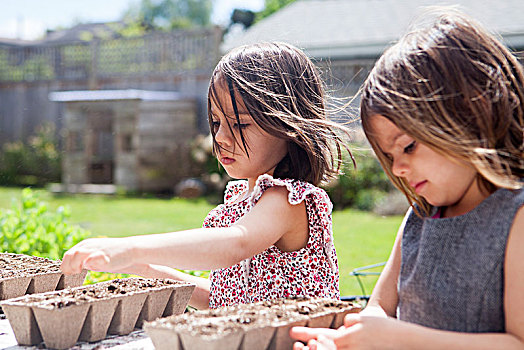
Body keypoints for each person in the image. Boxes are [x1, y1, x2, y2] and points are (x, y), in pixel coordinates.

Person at [291, 7, 524, 350]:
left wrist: (399, 339)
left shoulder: (514, 216)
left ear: (472, 113)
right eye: (389, 157)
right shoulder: (420, 216)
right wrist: (354, 339)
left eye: (408, 147)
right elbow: (380, 309)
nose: (397, 168)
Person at [60, 42, 353, 310]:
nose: (222, 137)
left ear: (287, 124)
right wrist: (144, 267)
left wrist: (129, 246)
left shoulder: (287, 200)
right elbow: (225, 297)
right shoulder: (241, 202)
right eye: (216, 121)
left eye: (239, 124)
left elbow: (234, 245)